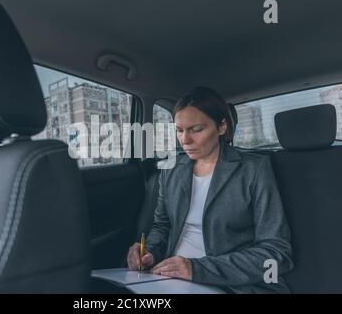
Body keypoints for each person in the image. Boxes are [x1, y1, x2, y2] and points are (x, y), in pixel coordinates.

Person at [126, 87, 294, 293]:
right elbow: (162, 226)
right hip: (167, 277)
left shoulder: (254, 169)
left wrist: (196, 269)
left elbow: (276, 253)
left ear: (222, 127)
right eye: (179, 130)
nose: (185, 140)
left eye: (196, 129)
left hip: (233, 285)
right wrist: (149, 251)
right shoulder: (171, 170)